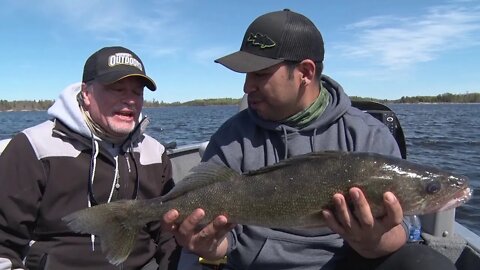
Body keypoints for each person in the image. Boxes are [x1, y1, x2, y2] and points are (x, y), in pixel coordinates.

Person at [163, 9, 457, 270]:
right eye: (246, 74)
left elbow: (400, 231)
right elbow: (226, 244)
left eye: (260, 74)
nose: (246, 85)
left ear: (305, 72)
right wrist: (210, 247)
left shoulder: (368, 135)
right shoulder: (230, 138)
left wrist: (373, 241)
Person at [0, 46, 180, 269]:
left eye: (137, 92)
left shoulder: (155, 153)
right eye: (117, 89)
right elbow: (4, 243)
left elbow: (165, 235)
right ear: (86, 93)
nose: (130, 100)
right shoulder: (33, 147)